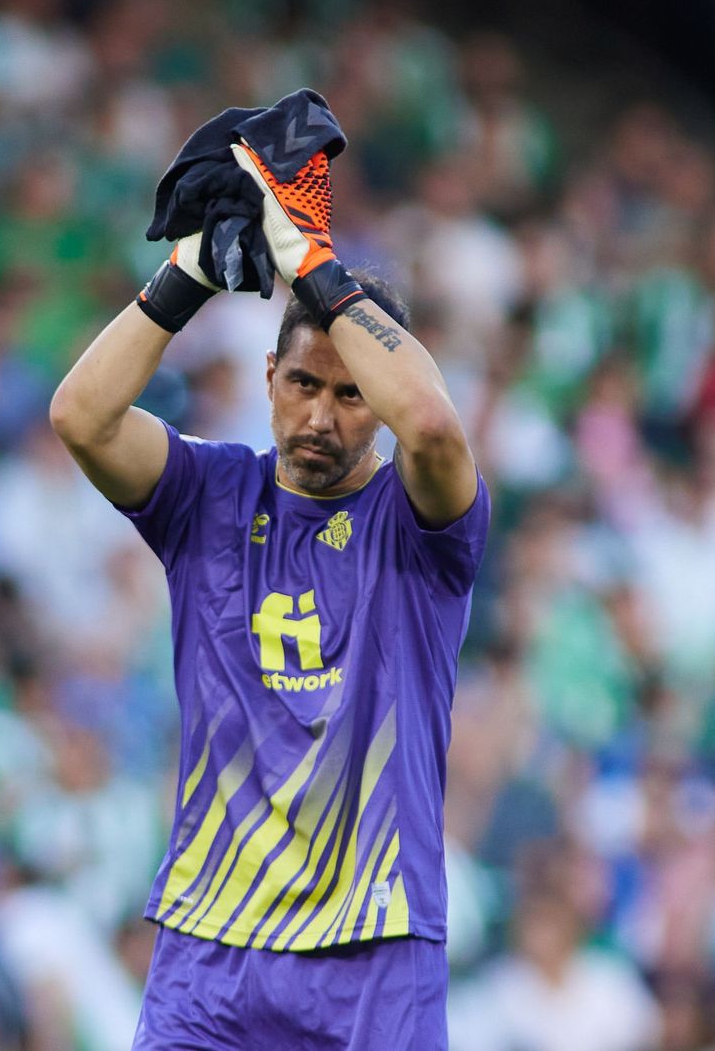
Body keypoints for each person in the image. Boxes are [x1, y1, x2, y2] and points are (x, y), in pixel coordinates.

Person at [49, 133, 489, 1047]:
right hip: (211, 943)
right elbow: (81, 417)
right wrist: (193, 274)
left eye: (351, 393)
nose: (322, 415)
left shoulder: (420, 522)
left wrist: (313, 265)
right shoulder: (205, 495)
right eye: (301, 384)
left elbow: (438, 428)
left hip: (373, 942)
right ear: (267, 379)